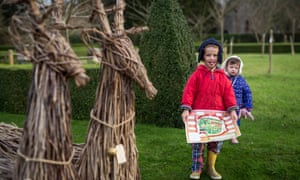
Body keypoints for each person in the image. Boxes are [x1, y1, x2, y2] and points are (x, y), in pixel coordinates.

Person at [181, 38, 238, 180]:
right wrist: (186, 109)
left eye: (215, 55)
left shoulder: (223, 77)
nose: (212, 58)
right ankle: (196, 169)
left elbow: (229, 95)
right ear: (202, 56)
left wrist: (232, 110)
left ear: (218, 57)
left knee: (215, 143)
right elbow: (189, 92)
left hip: (218, 118)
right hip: (199, 117)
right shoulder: (196, 75)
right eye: (208, 55)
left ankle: (211, 166)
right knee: (198, 144)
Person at [221, 55, 254, 144]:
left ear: (239, 69)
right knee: (223, 121)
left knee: (235, 122)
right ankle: (221, 135)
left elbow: (247, 93)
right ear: (226, 67)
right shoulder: (222, 78)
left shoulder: (241, 80)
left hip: (236, 106)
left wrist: (247, 107)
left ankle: (233, 137)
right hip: (222, 105)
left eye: (236, 68)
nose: (233, 69)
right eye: (231, 67)